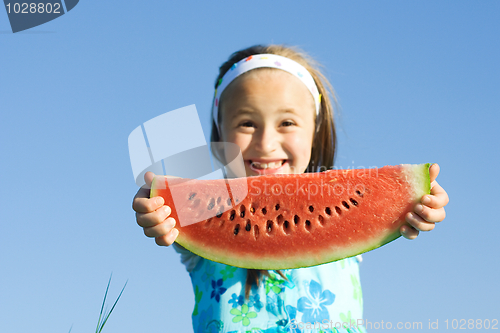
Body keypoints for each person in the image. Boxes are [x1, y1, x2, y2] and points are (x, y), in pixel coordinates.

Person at [132, 44, 449, 333]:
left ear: (315, 131)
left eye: (287, 123)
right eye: (246, 123)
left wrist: (418, 203)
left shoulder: (351, 205)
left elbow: (392, 203)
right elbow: (162, 208)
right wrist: (155, 207)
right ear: (219, 137)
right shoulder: (201, 211)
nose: (266, 143)